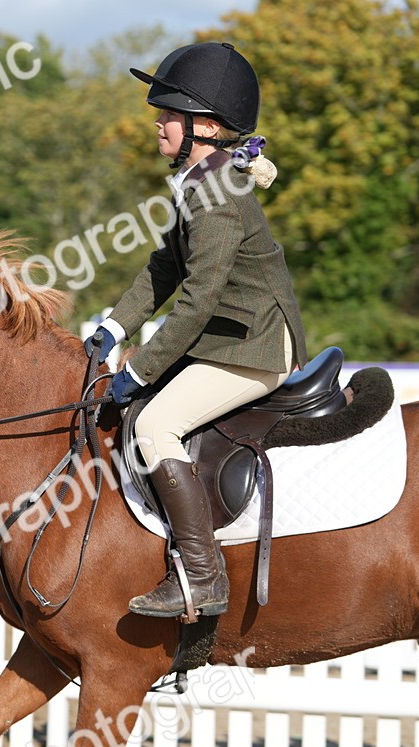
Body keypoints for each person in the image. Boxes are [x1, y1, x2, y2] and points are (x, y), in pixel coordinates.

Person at [85, 42, 307, 619]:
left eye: (169, 115)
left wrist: (137, 369)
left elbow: (200, 294)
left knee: (155, 424)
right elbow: (164, 268)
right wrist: (112, 328)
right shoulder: (199, 180)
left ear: (204, 127)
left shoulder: (217, 193)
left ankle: (203, 578)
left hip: (255, 343)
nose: (158, 124)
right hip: (228, 337)